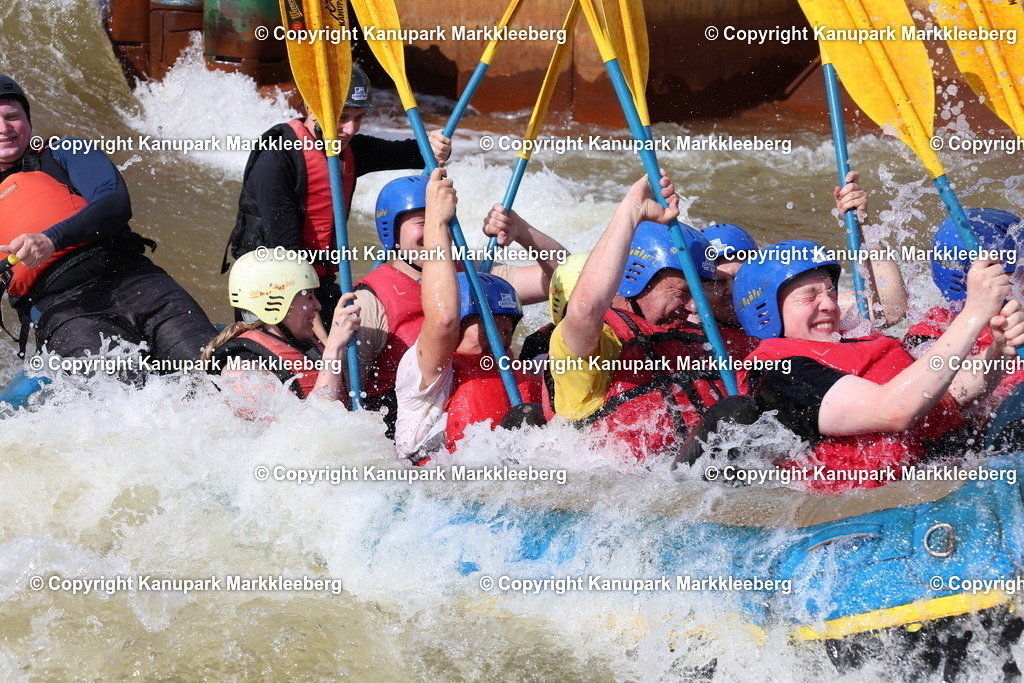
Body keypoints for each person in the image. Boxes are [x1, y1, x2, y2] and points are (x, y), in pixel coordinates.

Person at [733, 239, 1024, 493]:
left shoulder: (857, 343)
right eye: (809, 297)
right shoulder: (782, 375)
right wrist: (974, 314)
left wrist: (999, 349)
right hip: (882, 509)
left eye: (831, 294)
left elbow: (956, 393)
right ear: (766, 312)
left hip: (949, 467)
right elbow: (894, 411)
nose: (829, 305)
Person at [0, 74, 215, 378]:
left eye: (12, 117)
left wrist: (50, 240)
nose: (4, 128)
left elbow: (114, 202)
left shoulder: (66, 152)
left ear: (29, 122)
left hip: (138, 284)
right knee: (129, 400)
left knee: (211, 377)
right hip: (67, 313)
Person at [225, 66, 452, 323]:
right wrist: (320, 335)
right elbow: (285, 251)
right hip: (270, 292)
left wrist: (435, 145)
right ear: (311, 109)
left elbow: (415, 153)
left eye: (359, 117)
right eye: (343, 116)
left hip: (317, 286)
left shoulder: (349, 149)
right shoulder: (277, 155)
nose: (351, 128)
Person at [352, 174, 566, 438]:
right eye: (425, 223)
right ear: (392, 231)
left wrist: (523, 232)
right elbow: (351, 400)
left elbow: (565, 281)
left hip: (487, 413)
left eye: (440, 221)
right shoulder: (368, 302)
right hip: (422, 422)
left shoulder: (475, 275)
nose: (434, 230)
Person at [546, 173, 728, 462]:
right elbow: (584, 311)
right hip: (615, 491)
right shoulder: (595, 345)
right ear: (634, 280)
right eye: (680, 293)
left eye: (700, 296)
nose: (694, 308)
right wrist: (631, 212)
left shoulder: (696, 341)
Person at [394, 168, 543, 463]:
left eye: (505, 331)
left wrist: (524, 232)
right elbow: (444, 319)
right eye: (487, 330)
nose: (499, 341)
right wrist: (437, 222)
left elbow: (577, 289)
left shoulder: (529, 371)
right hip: (434, 496)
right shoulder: (426, 378)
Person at [203, 252, 360, 413]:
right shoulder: (241, 372)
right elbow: (313, 429)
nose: (318, 306)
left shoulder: (303, 343)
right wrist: (334, 347)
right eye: (309, 297)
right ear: (278, 302)